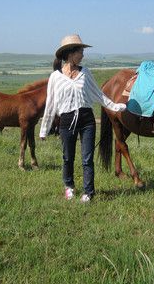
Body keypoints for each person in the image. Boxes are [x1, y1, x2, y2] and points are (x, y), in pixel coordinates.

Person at [39, 34, 127, 203]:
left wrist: (116, 107)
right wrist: (44, 129)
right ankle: (69, 186)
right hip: (66, 120)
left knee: (87, 158)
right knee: (67, 157)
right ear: (71, 53)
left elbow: (99, 95)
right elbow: (50, 103)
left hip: (87, 119)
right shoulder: (55, 78)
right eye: (80, 51)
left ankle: (89, 191)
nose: (83, 55)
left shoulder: (85, 73)